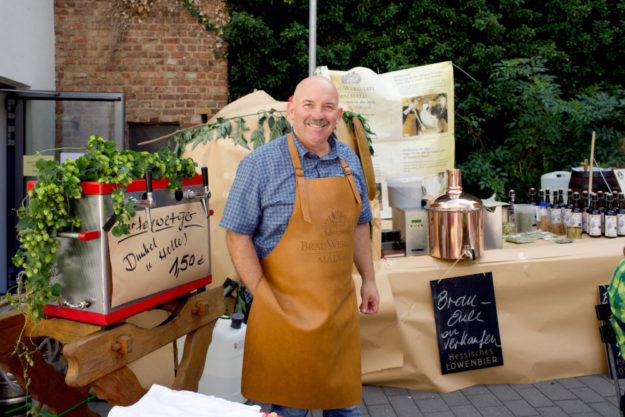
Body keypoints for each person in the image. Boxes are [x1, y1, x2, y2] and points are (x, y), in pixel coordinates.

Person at [220, 76, 380, 417]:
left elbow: (360, 224)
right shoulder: (259, 165)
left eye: (327, 107)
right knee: (290, 412)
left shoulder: (349, 161)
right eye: (308, 105)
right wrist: (260, 293)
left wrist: (368, 279)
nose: (317, 115)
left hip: (338, 316)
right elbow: (236, 234)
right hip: (284, 314)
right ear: (291, 110)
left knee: (346, 410)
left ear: (338, 115)